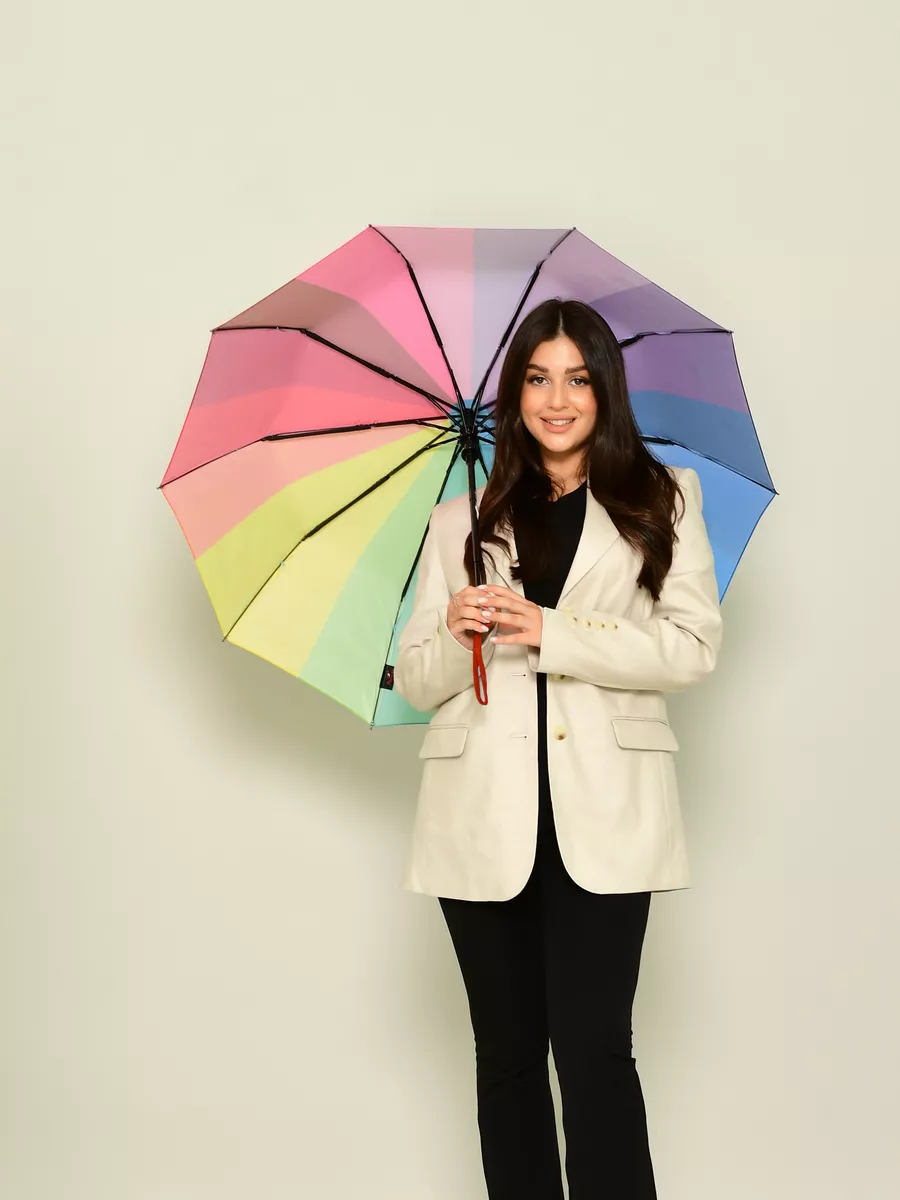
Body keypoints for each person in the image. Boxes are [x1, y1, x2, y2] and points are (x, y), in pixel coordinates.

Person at [393, 297, 724, 1199]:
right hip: (479, 819)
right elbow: (414, 680)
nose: (557, 399)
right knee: (504, 1058)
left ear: (605, 390)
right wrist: (458, 632)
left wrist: (550, 629)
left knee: (593, 1052)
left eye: (578, 379)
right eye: (538, 379)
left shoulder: (662, 500)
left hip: (605, 814)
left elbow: (692, 649)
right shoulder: (459, 522)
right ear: (516, 395)